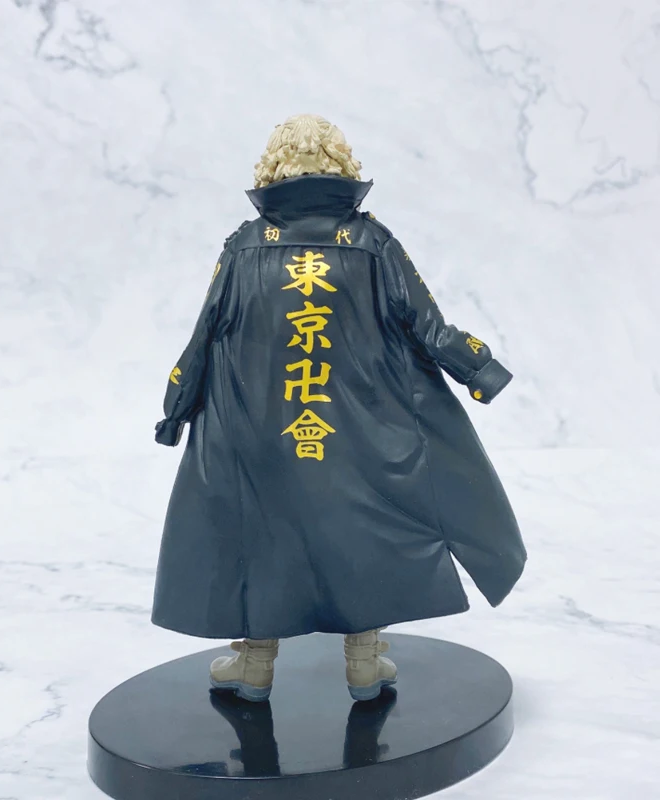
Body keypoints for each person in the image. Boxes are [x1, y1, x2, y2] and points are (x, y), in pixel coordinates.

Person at [153, 114, 527, 702]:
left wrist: (176, 407)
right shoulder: (372, 243)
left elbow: (203, 336)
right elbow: (427, 325)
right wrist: (479, 370)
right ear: (341, 163)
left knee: (263, 535)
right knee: (361, 531)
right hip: (358, 430)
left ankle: (254, 666)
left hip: (258, 432)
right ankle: (363, 661)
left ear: (273, 167)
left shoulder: (245, 246)